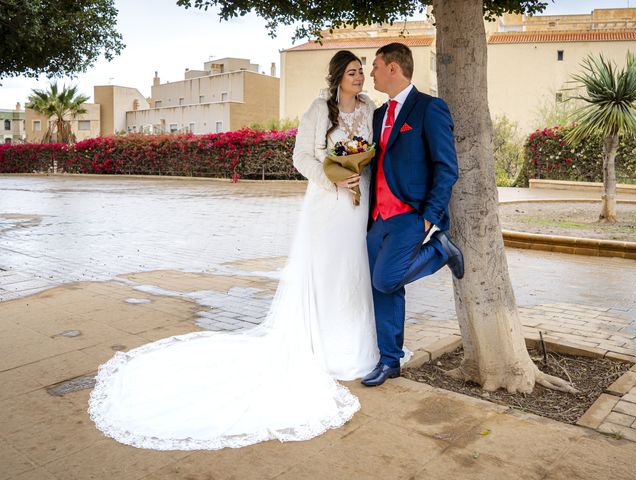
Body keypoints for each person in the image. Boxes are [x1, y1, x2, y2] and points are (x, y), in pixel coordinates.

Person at [88, 50, 379, 451]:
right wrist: (334, 179)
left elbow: (371, 150)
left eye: (362, 72)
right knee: (325, 271)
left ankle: (352, 344)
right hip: (327, 203)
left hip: (356, 203)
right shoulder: (318, 109)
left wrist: (356, 172)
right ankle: (319, 345)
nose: (360, 78)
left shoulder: (369, 107)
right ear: (337, 77)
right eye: (353, 72)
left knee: (352, 270)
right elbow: (301, 157)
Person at [361, 43, 465, 387]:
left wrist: (428, 219)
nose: (370, 72)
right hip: (378, 218)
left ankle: (440, 249)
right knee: (384, 290)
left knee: (386, 279)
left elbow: (446, 167)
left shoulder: (429, 109)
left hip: (410, 215)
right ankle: (390, 361)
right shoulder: (378, 115)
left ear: (393, 67)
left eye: (374, 66)